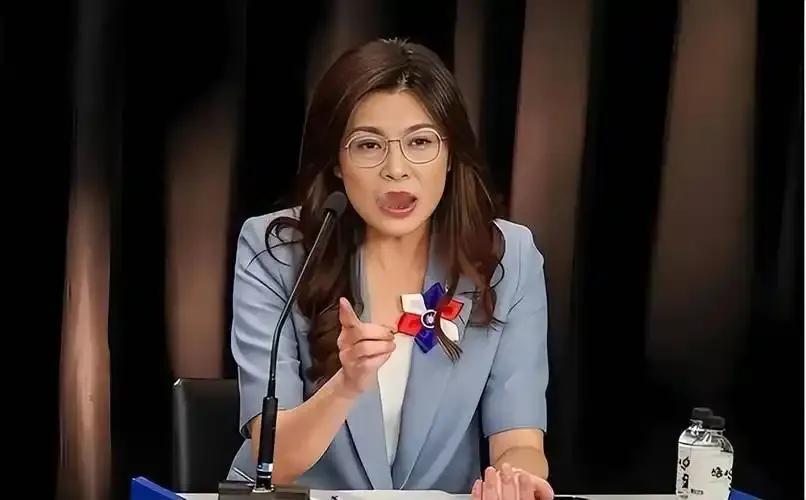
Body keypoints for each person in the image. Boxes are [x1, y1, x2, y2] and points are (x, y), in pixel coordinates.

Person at [228, 38, 554, 500]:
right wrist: (346, 385)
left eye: (420, 141)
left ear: (450, 154)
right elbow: (272, 463)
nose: (396, 169)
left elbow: (519, 441)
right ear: (337, 163)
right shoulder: (277, 251)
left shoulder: (507, 256)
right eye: (368, 145)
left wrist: (514, 480)